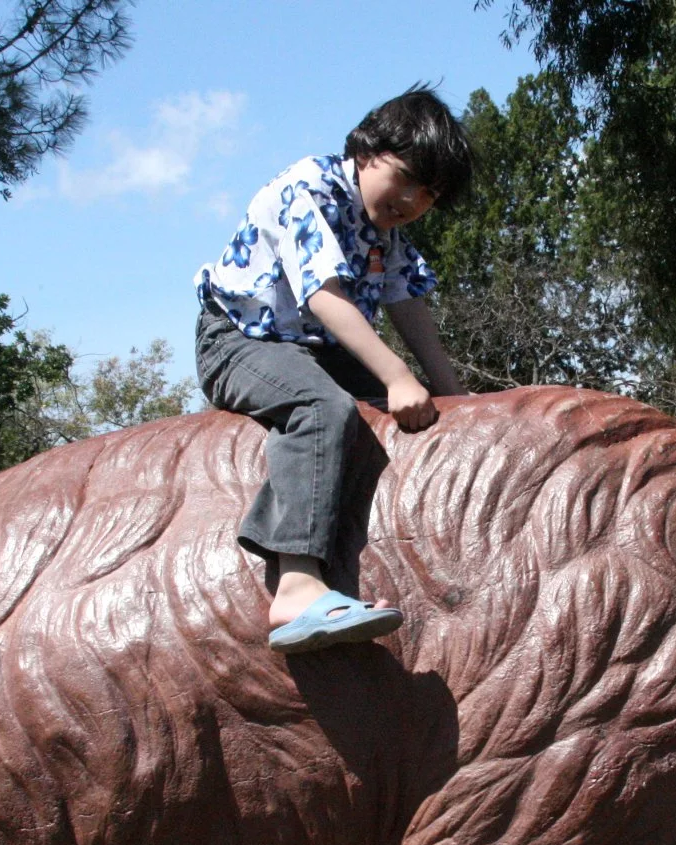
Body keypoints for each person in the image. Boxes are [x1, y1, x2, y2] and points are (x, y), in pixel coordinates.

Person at [194, 86, 472, 654]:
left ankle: (352, 577)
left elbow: (408, 305)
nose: (414, 200)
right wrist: (397, 376)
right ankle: (297, 584)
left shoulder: (386, 232)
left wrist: (453, 394)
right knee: (323, 409)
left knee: (399, 421)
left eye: (431, 195)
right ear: (370, 149)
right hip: (241, 338)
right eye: (408, 177)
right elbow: (324, 297)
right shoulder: (311, 186)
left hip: (315, 350)